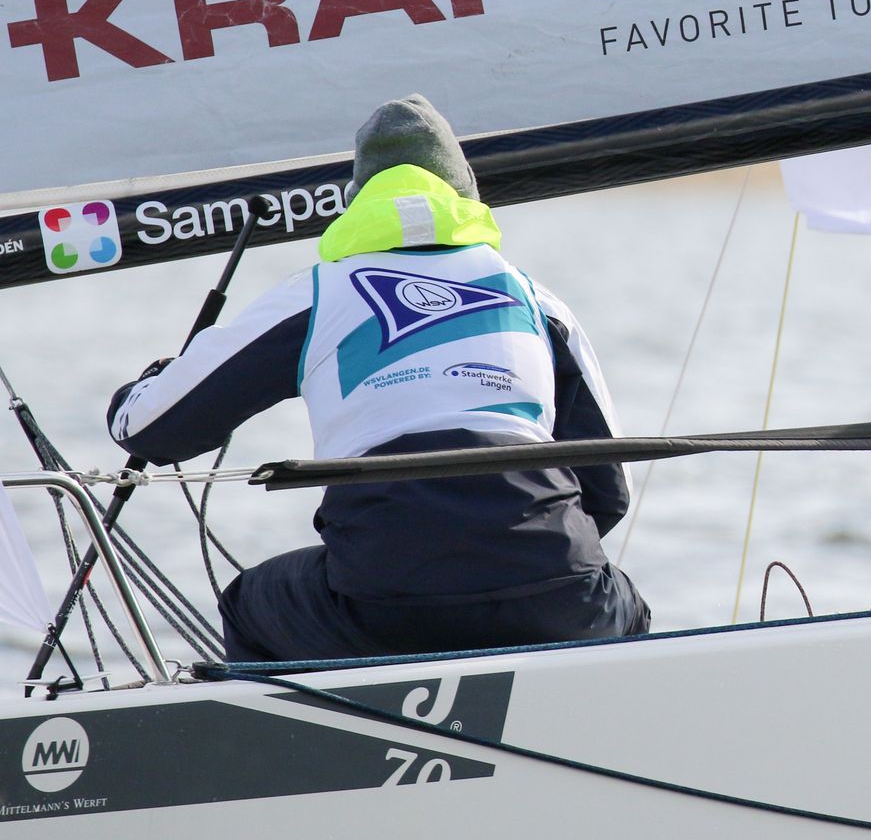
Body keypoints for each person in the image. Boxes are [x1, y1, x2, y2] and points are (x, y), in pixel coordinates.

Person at [106, 95, 650, 662]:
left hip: (383, 603)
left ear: (354, 201)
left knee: (249, 605)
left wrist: (141, 390)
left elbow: (150, 430)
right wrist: (505, 568)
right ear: (467, 197)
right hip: (559, 593)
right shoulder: (536, 300)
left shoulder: (317, 294)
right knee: (625, 607)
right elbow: (608, 493)